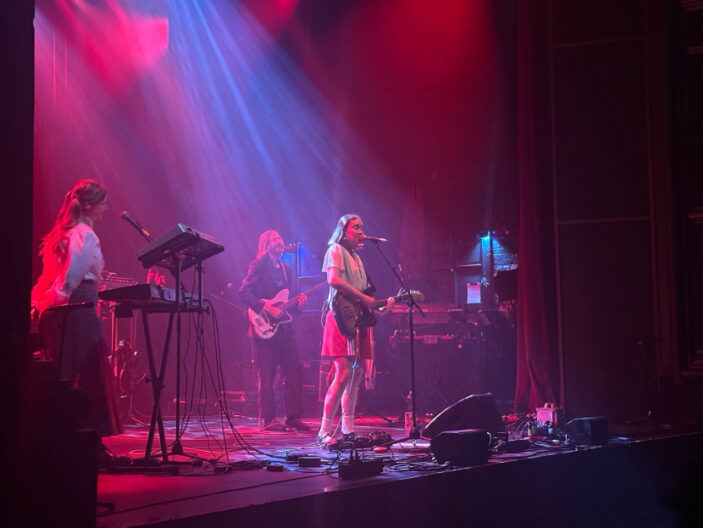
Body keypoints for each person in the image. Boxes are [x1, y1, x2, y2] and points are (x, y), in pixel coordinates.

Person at [30, 179, 122, 447]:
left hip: (61, 308)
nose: (106, 208)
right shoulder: (84, 233)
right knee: (89, 372)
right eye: (103, 203)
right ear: (90, 205)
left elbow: (48, 277)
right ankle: (89, 441)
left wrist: (42, 304)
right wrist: (61, 299)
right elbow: (74, 274)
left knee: (65, 372)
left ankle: (65, 439)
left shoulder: (61, 235)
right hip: (77, 306)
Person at [317, 214, 392, 444]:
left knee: (355, 374)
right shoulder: (336, 250)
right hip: (342, 318)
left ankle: (347, 429)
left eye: (362, 227)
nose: (361, 231)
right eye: (356, 227)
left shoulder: (357, 258)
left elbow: (363, 294)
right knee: (343, 374)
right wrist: (364, 298)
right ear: (344, 231)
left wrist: (378, 305)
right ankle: (324, 431)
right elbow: (333, 280)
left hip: (357, 318)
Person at [239, 230, 310, 432]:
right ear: (266, 245)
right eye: (274, 239)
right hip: (264, 327)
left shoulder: (287, 269)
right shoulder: (258, 265)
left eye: (279, 238)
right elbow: (244, 292)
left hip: (284, 328)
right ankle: (269, 419)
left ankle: (293, 417)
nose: (279, 241)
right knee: (267, 375)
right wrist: (265, 307)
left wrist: (299, 306)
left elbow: (287, 304)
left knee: (293, 371)